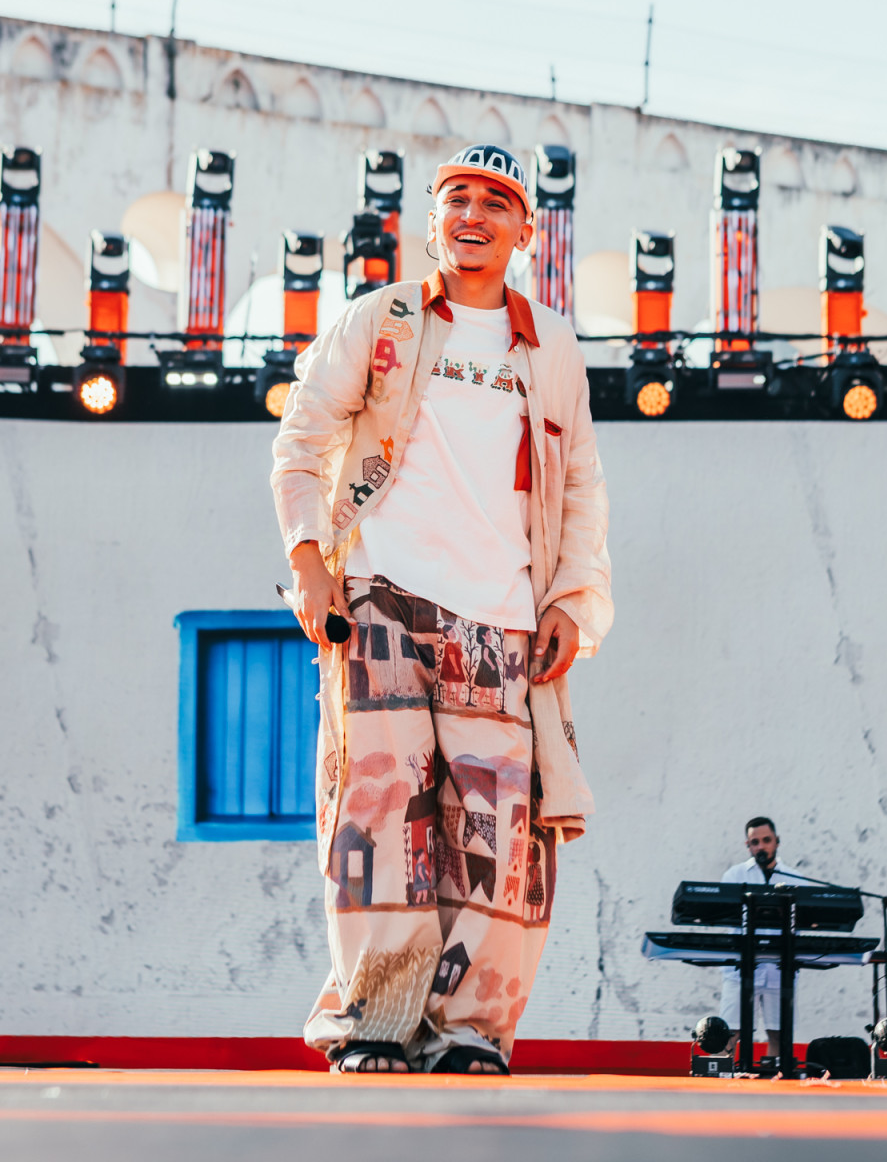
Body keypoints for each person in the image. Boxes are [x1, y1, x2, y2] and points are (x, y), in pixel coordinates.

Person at [271, 144, 613, 1075]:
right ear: (432, 219)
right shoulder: (376, 320)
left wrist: (574, 603)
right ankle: (377, 1026)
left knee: (501, 837)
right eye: (457, 197)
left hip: (502, 619)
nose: (474, 214)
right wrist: (309, 565)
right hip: (379, 596)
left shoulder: (551, 347)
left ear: (524, 231)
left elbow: (580, 485)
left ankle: (468, 1033)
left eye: (496, 203)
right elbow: (301, 441)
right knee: (378, 819)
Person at [718, 817, 811, 1057]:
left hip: (780, 968)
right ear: (748, 846)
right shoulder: (734, 875)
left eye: (766, 841)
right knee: (730, 1031)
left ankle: (774, 1081)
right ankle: (722, 1082)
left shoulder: (794, 878)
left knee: (779, 1033)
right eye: (755, 842)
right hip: (740, 967)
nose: (761, 847)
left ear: (777, 842)